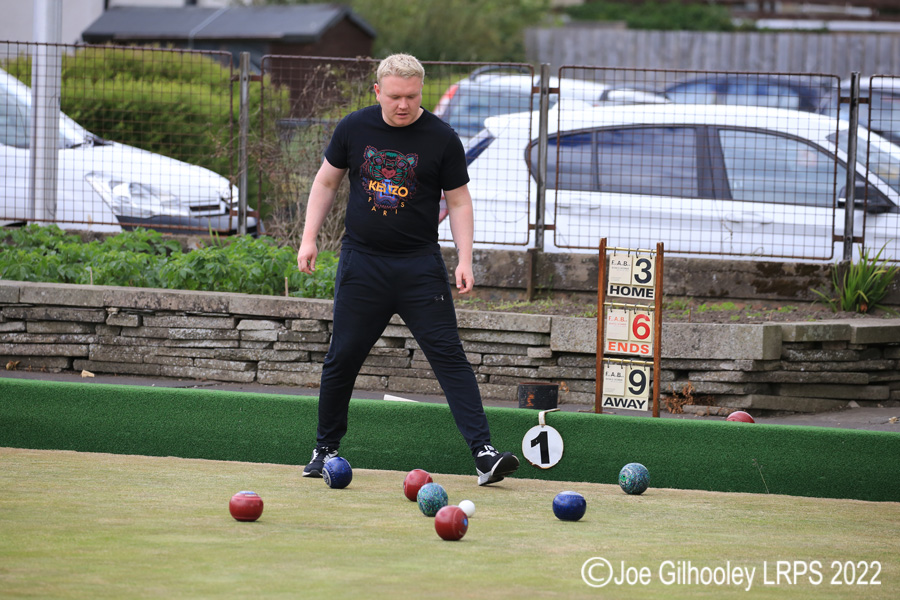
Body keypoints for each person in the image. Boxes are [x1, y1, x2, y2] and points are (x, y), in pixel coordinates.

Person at [296, 53, 520, 486]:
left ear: (423, 92)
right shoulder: (354, 128)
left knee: (450, 358)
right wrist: (308, 239)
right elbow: (326, 181)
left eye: (412, 97)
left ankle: (484, 455)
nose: (403, 104)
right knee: (341, 358)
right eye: (395, 96)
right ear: (377, 91)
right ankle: (325, 449)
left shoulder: (441, 136)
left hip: (419, 266)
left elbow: (458, 200)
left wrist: (465, 258)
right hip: (362, 264)